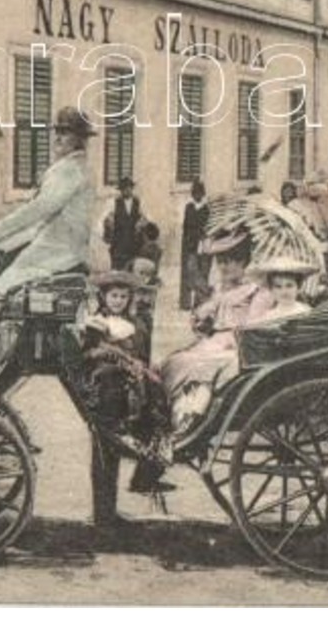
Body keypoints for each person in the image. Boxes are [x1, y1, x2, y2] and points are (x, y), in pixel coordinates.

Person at [0, 107, 98, 371]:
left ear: (80, 139)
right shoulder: (70, 169)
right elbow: (41, 224)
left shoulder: (70, 171)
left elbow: (35, 213)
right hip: (52, 252)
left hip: (56, 256)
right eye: (57, 131)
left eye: (65, 133)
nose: (57, 137)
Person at [75, 271, 174, 518]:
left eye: (122, 296)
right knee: (104, 452)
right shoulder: (96, 323)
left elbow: (142, 357)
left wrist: (140, 369)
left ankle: (142, 476)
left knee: (142, 435)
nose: (117, 301)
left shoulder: (136, 325)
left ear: (129, 299)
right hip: (107, 394)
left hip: (130, 393)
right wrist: (113, 358)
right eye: (113, 296)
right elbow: (87, 356)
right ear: (104, 297)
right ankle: (103, 513)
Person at [159, 229, 268, 430]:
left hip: (237, 348)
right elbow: (210, 323)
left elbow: (254, 330)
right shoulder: (219, 289)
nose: (224, 266)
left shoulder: (256, 292)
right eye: (220, 261)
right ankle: (174, 414)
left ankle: (190, 419)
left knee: (195, 365)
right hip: (214, 342)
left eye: (230, 261)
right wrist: (202, 324)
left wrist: (229, 338)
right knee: (174, 361)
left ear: (244, 262)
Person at [179, 181, 210, 310]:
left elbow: (208, 228)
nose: (197, 195)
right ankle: (185, 302)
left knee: (202, 271)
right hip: (189, 244)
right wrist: (185, 243)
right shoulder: (189, 207)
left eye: (199, 193)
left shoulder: (207, 209)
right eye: (194, 193)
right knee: (188, 272)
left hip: (202, 244)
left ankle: (200, 300)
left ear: (203, 194)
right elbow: (185, 227)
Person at [103, 177, 145, 271]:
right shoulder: (114, 202)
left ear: (131, 188)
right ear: (121, 190)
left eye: (128, 188)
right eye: (124, 188)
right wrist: (110, 222)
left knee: (132, 266)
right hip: (119, 241)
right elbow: (108, 217)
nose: (126, 190)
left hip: (133, 241)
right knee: (118, 267)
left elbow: (144, 217)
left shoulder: (137, 202)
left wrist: (140, 224)